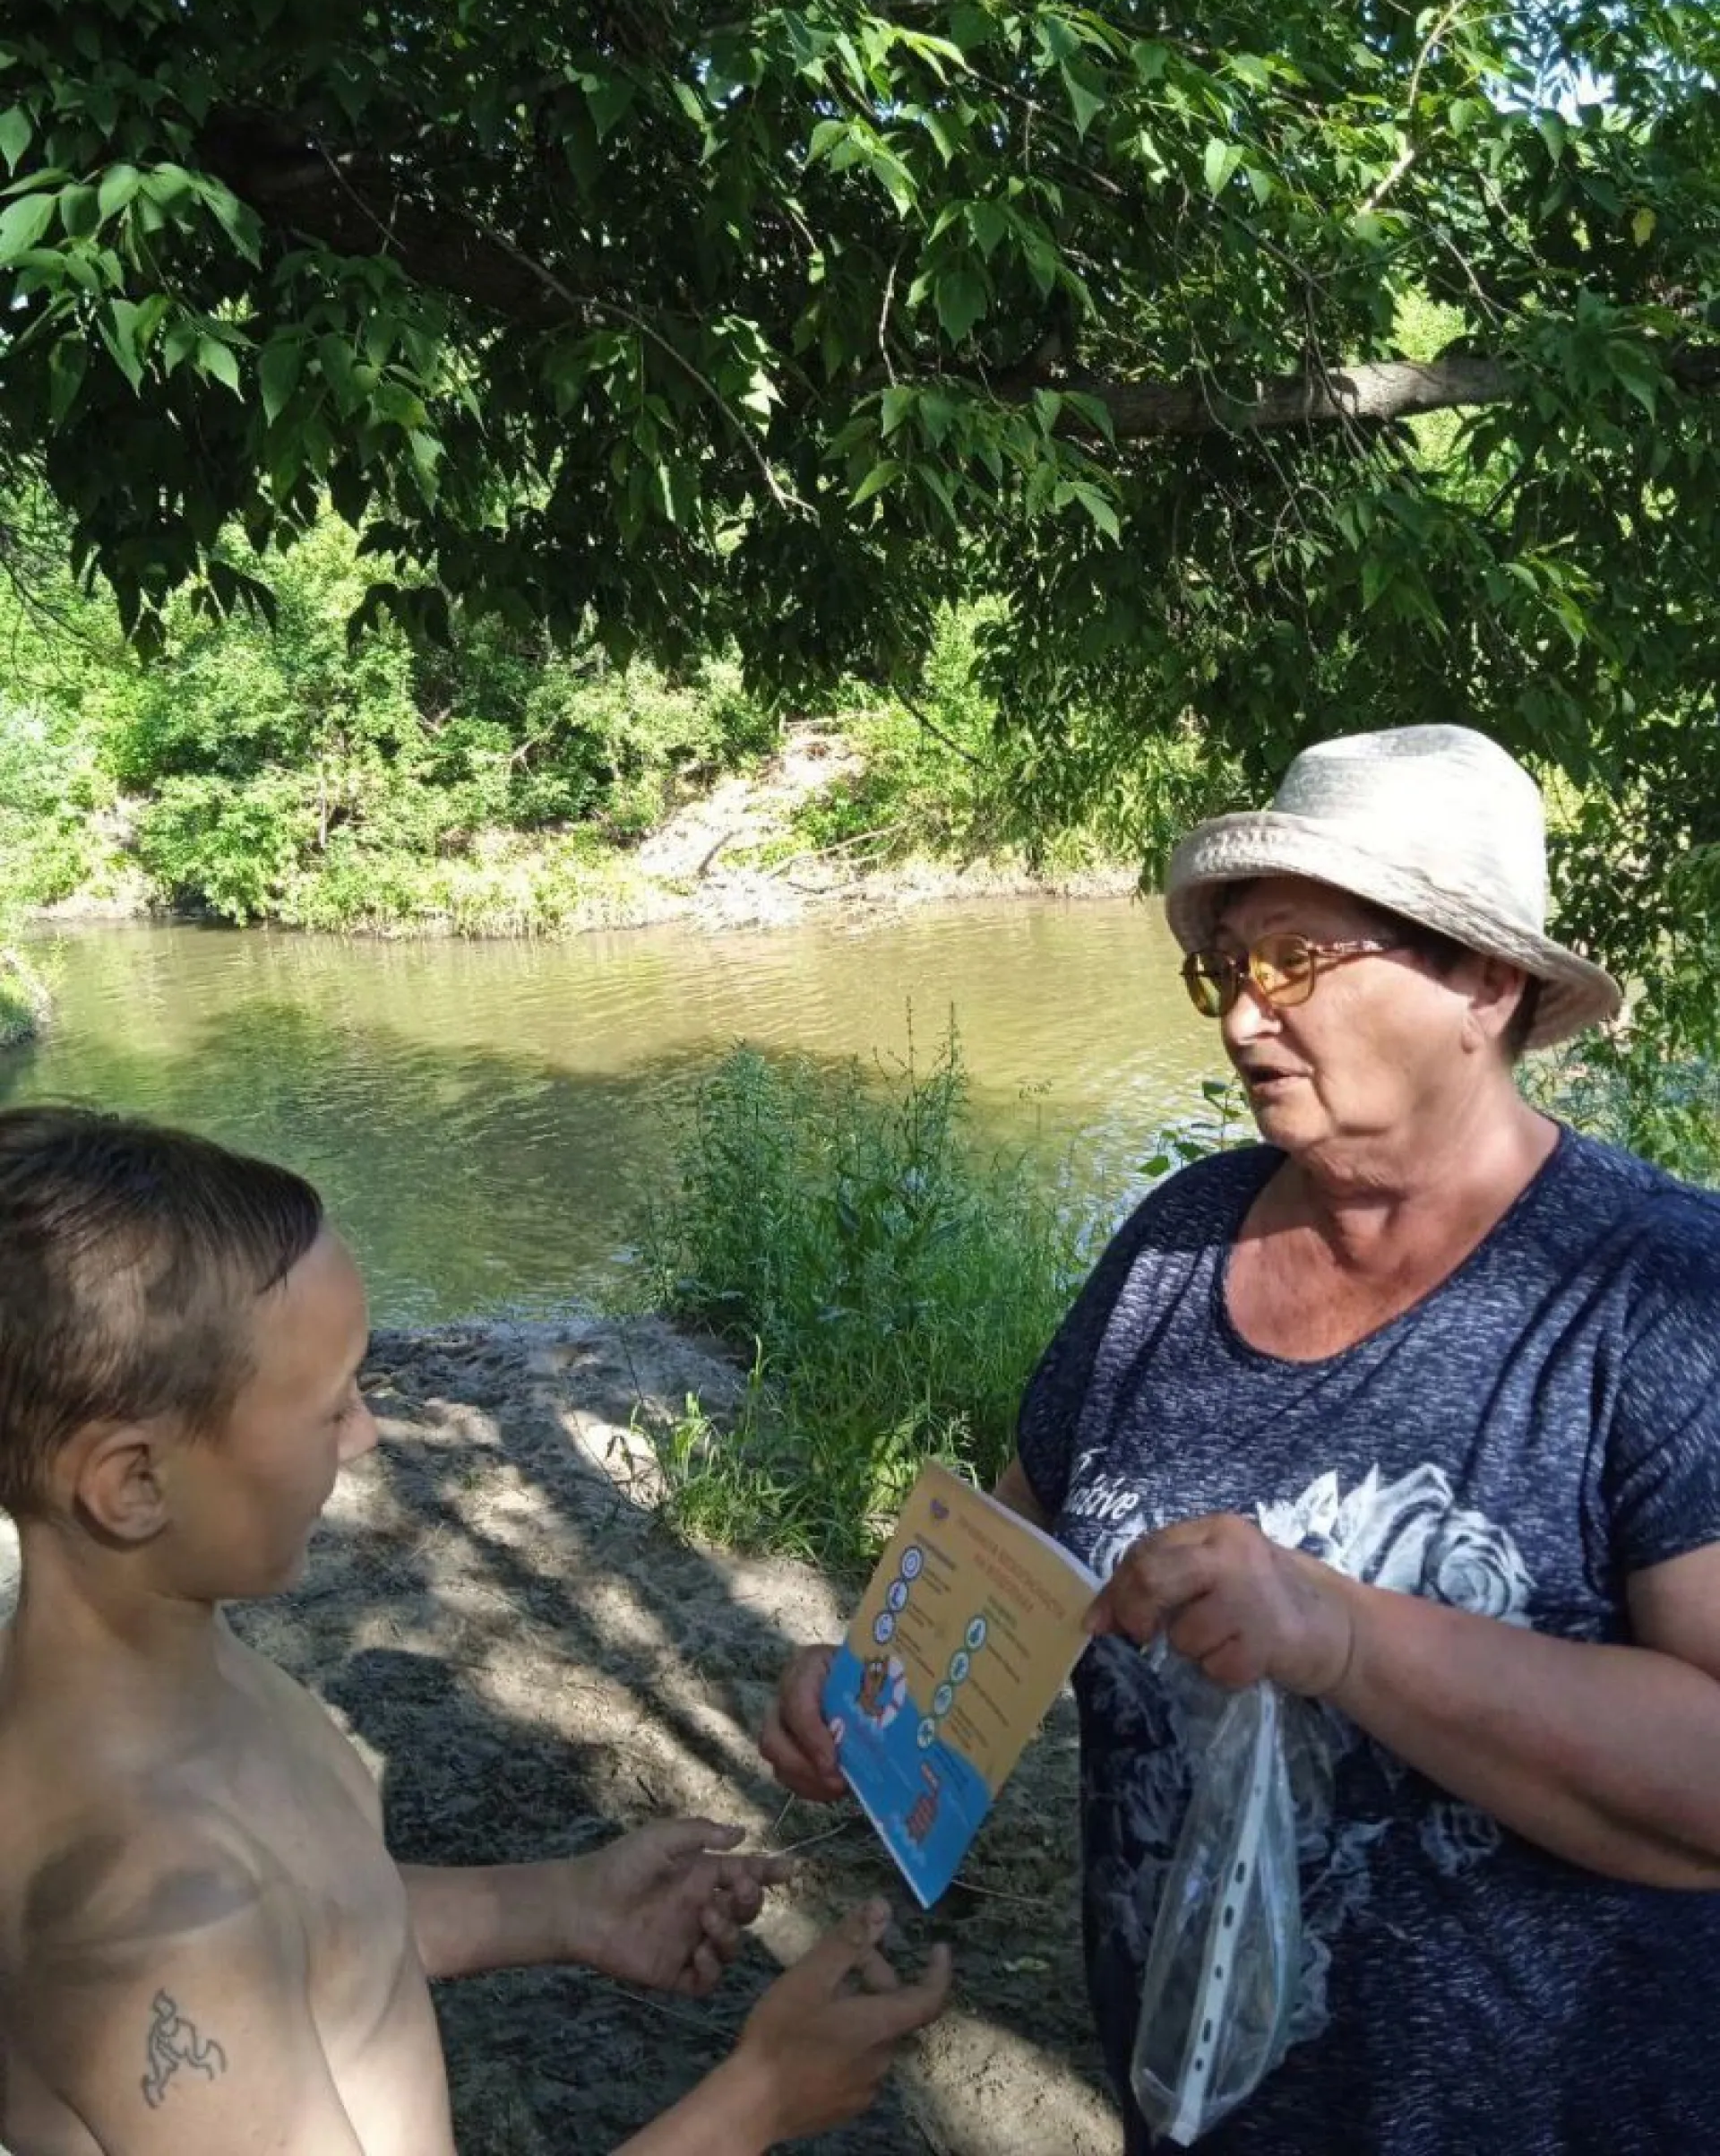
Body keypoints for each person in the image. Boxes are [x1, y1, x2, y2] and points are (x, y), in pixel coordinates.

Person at [763, 723, 1720, 2154]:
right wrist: (877, 1689)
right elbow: (1027, 1556)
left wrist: (1340, 1635)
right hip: (1191, 2104)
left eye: (1295, 964)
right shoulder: (1173, 1245)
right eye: (1228, 969)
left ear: (1486, 981)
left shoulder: (1656, 1293)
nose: (1241, 1018)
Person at [0, 1106, 949, 2156]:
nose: (367, 1434)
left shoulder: (190, 1671)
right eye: (327, 1408)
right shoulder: (148, 1923)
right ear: (133, 1484)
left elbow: (322, 1918)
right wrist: (756, 2100)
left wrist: (566, 1904)